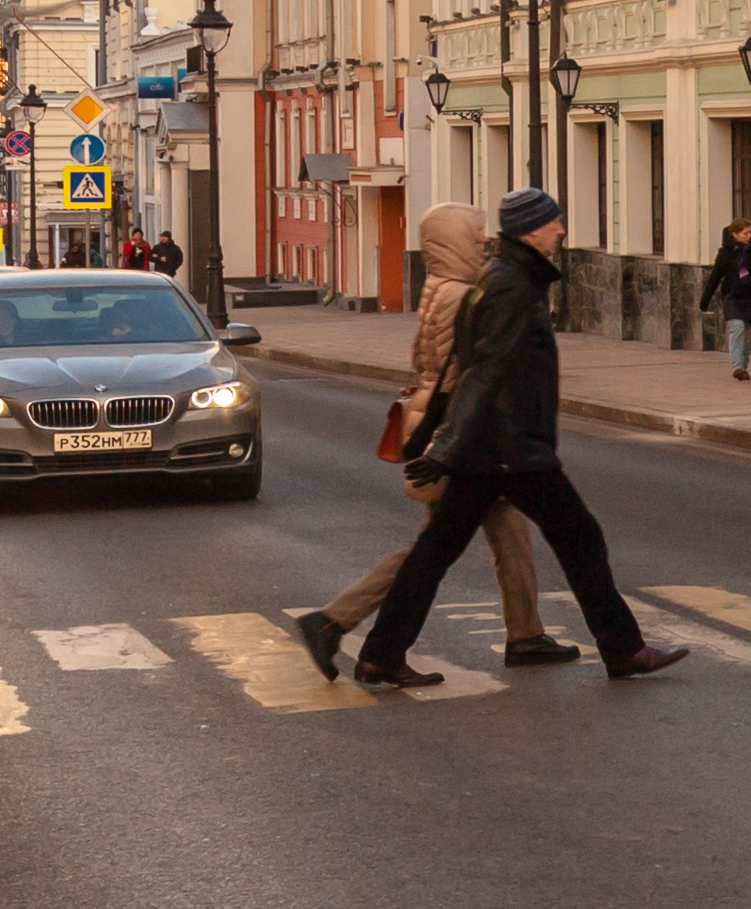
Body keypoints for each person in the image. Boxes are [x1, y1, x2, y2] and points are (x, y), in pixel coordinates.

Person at [348, 187, 688, 686]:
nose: (562, 230)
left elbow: (457, 368)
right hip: (509, 447)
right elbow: (482, 372)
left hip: (490, 449)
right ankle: (623, 649)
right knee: (580, 539)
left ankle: (381, 653)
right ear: (532, 229)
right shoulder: (509, 285)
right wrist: (441, 448)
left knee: (435, 553)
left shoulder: (498, 279)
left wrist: (436, 445)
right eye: (554, 222)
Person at [294, 201, 568, 679]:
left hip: (457, 437)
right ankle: (334, 620)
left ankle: (526, 635)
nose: (485, 239)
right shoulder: (465, 293)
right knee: (431, 550)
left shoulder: (442, 286)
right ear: (454, 240)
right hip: (464, 443)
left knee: (508, 535)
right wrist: (461, 442)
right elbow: (465, 376)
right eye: (476, 232)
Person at [707, 217, 751, 380]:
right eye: (745, 233)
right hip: (732, 297)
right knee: (737, 328)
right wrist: (705, 300)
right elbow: (715, 277)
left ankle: (743, 366)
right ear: (734, 234)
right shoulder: (725, 253)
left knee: (747, 334)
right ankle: (737, 365)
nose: (748, 236)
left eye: (750, 233)